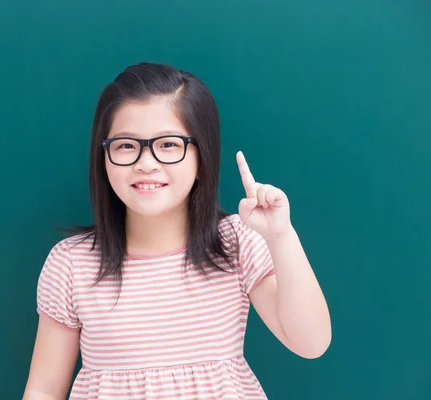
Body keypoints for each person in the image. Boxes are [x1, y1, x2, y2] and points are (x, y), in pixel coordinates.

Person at [22, 63, 331, 399]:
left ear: (202, 155)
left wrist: (281, 237)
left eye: (168, 145)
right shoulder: (71, 264)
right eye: (126, 145)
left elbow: (311, 343)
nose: (146, 163)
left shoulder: (235, 242)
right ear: (104, 156)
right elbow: (44, 389)